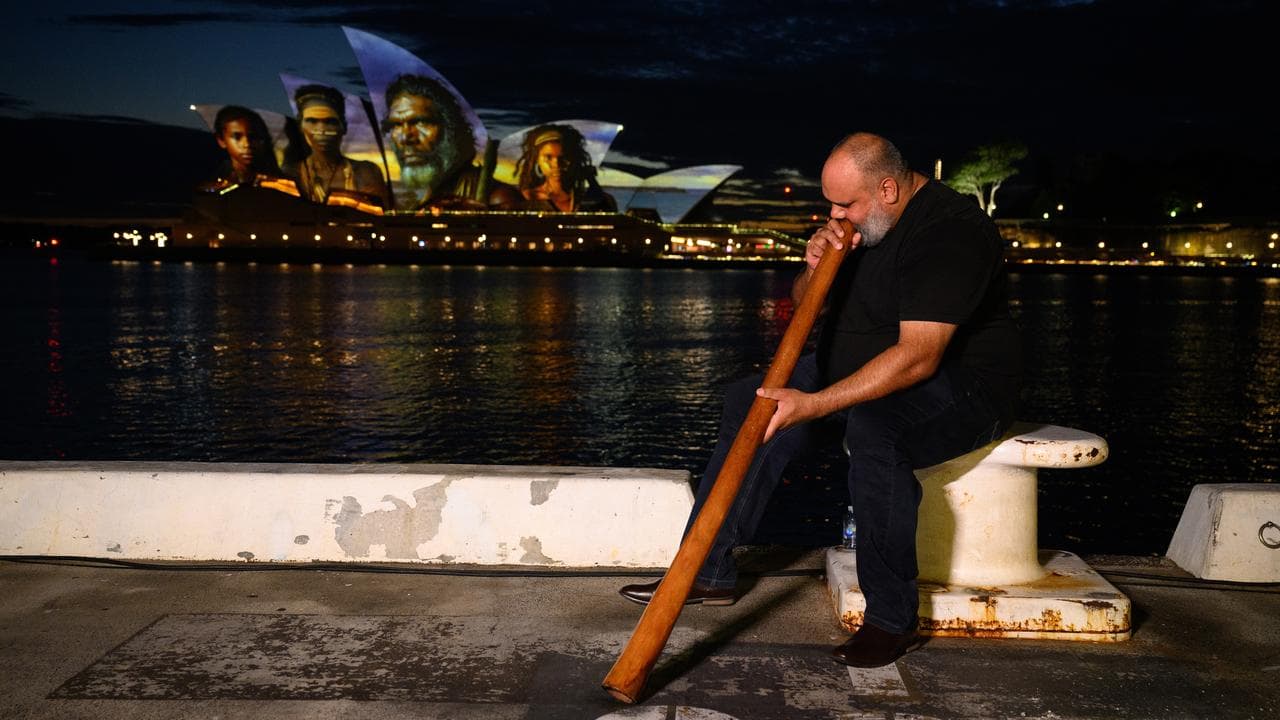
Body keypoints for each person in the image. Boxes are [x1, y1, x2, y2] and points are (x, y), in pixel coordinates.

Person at [619, 132, 1022, 668]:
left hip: (962, 384)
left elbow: (919, 357)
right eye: (829, 202)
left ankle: (889, 619)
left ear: (887, 188)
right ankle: (705, 571)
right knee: (751, 399)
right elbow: (802, 301)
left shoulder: (951, 230)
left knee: (877, 430)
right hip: (864, 366)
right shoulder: (863, 226)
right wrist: (814, 265)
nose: (834, 214)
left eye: (845, 203)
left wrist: (815, 405)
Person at [381, 73, 519, 212]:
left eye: (421, 122)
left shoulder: (498, 198)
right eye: (396, 125)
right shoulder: (424, 196)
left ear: (451, 129)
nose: (405, 137)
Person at [282, 84, 389, 208]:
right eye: (312, 121)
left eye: (329, 122)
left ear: (343, 126)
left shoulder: (367, 172)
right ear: (301, 127)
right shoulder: (291, 174)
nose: (321, 130)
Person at [513, 124, 616, 212]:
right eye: (548, 157)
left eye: (564, 157)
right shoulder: (524, 199)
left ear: (574, 158)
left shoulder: (596, 200)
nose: (556, 164)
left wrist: (591, 180)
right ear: (536, 160)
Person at [208, 105, 280, 186]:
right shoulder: (215, 182)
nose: (247, 144)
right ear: (221, 140)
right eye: (237, 137)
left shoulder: (278, 180)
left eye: (253, 136)